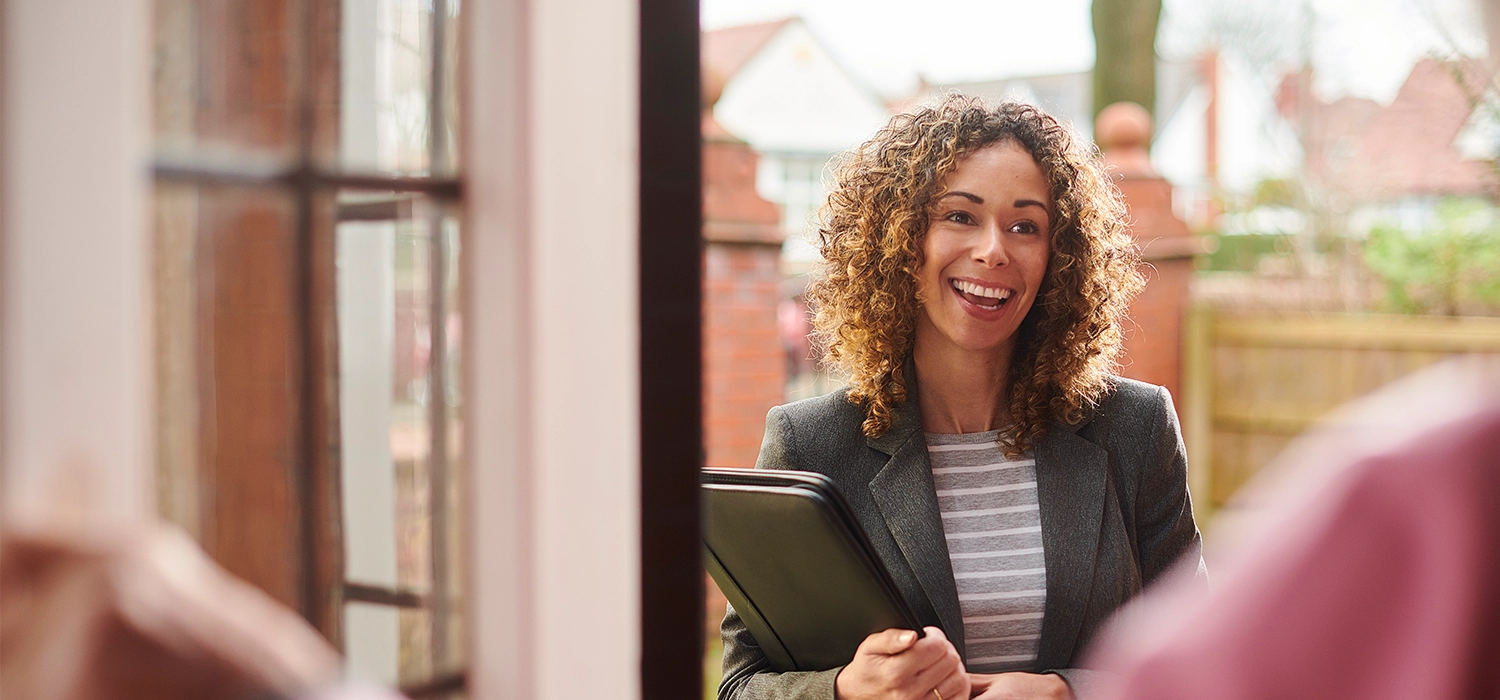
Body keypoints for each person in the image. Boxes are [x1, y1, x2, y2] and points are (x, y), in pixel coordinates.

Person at [717, 95, 1206, 700]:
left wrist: (1068, 693)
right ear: (899, 239)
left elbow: (1206, 663)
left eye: (1025, 225)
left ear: (1060, 256)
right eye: (959, 216)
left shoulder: (1134, 428)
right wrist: (842, 690)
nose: (994, 249)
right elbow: (741, 683)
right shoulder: (812, 443)